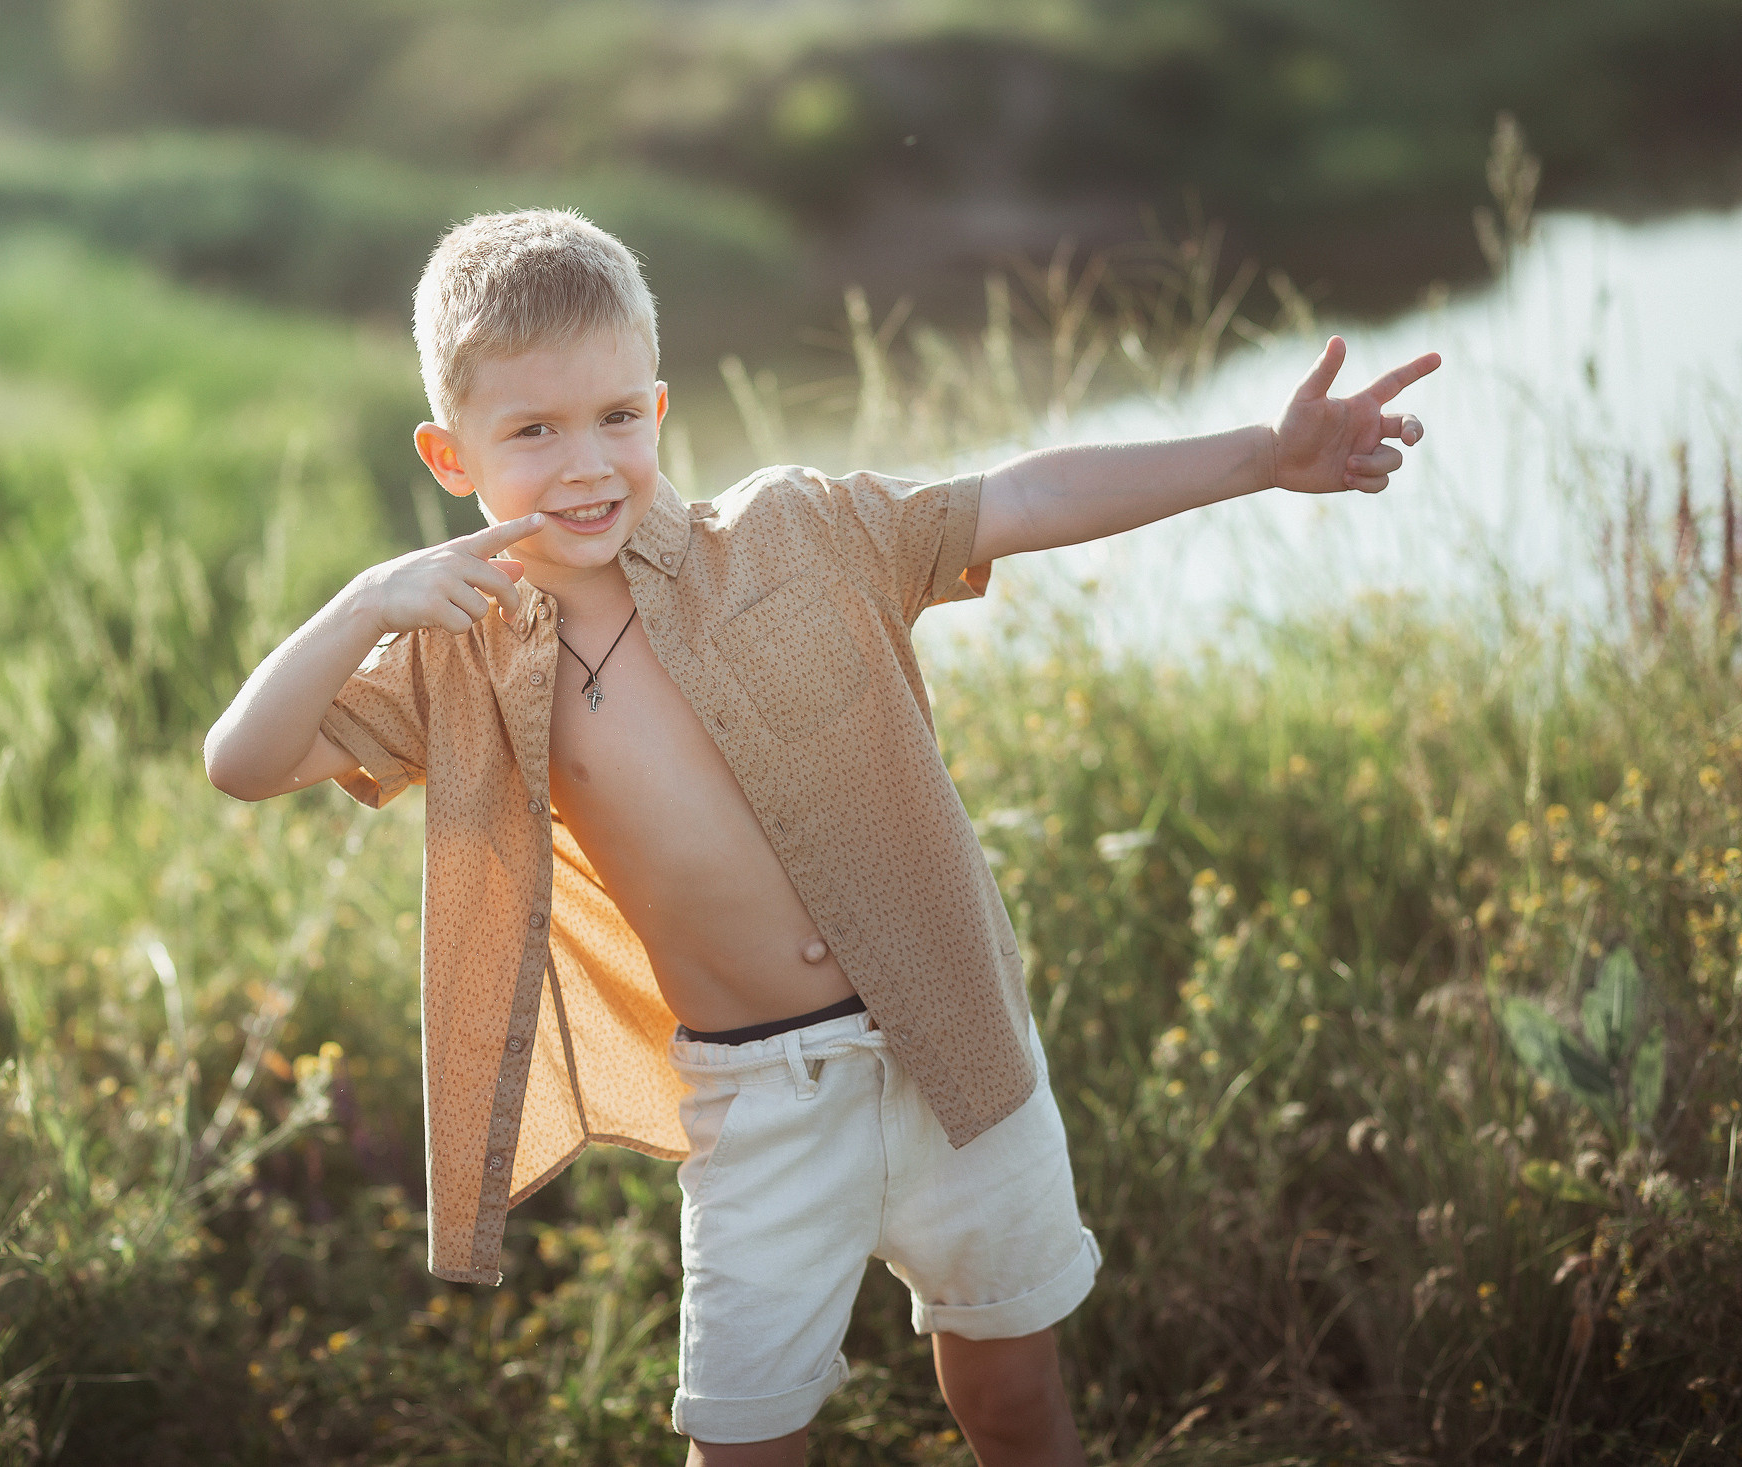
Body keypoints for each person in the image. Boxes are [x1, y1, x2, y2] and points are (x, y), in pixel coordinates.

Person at [204, 209, 1437, 1466]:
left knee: (1010, 1404)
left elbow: (1017, 494)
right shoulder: (457, 659)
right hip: (758, 1107)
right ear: (448, 454)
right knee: (742, 1446)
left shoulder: (795, 534)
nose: (586, 463)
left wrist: (1262, 456)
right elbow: (241, 763)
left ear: (661, 408)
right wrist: (364, 601)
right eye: (532, 431)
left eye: (618, 416)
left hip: (953, 1049)